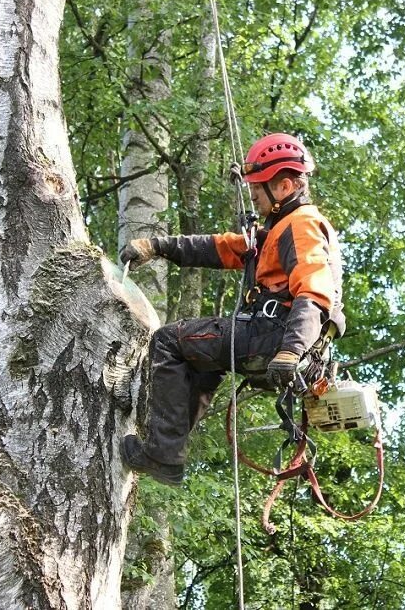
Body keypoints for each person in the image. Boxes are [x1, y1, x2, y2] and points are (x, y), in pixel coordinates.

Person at [118, 133, 345, 485]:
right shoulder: (276, 230)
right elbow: (222, 248)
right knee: (201, 361)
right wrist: (157, 246)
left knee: (167, 341)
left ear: (284, 186)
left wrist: (291, 349)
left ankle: (163, 453)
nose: (252, 196)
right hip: (278, 340)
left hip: (274, 336)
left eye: (258, 188)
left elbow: (314, 292)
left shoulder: (299, 225)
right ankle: (166, 453)